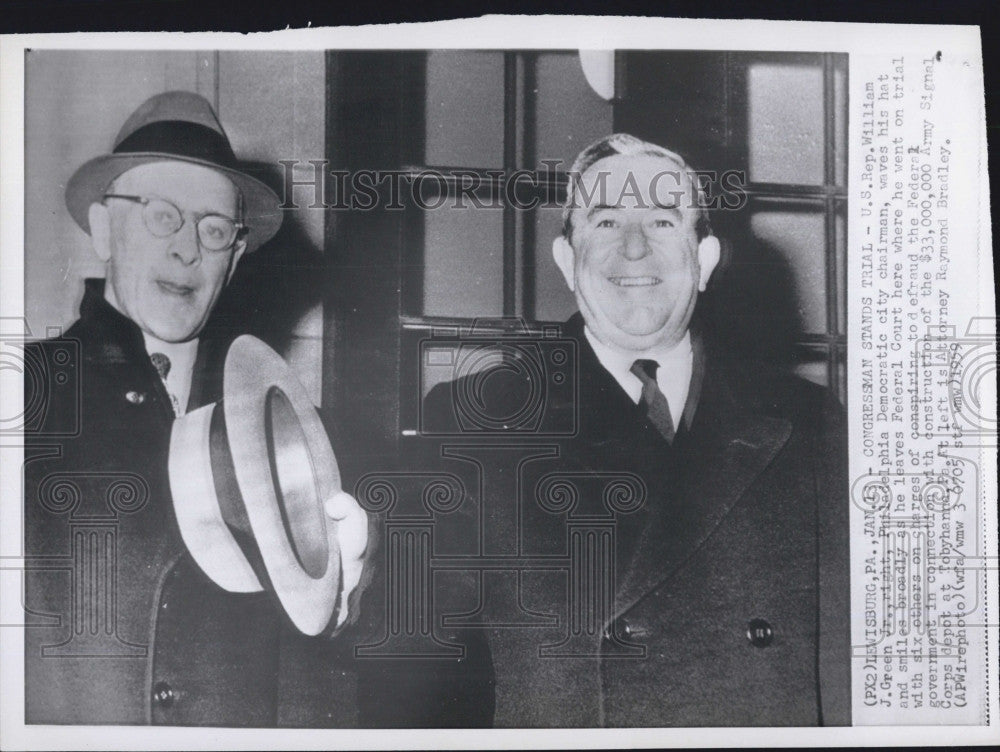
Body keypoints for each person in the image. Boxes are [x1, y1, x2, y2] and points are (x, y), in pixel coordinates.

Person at [421, 133, 850, 726]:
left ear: (704, 261)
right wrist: (347, 572)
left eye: (663, 222)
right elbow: (410, 631)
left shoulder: (811, 420)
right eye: (604, 223)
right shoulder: (479, 419)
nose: (634, 249)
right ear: (567, 262)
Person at [23, 91, 369, 726]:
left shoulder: (294, 436)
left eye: (213, 229)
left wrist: (347, 600)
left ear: (234, 258)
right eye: (162, 216)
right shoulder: (24, 397)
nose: (188, 249)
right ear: (103, 228)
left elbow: (316, 687)